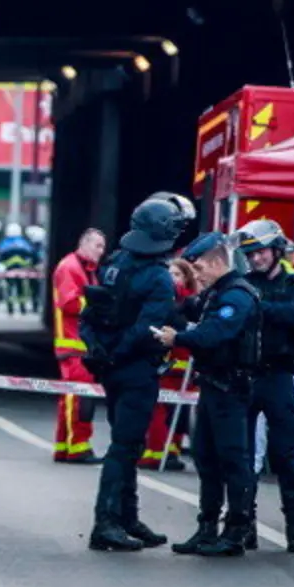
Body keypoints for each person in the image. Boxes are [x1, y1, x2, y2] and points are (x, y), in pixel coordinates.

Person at [80, 197, 190, 551]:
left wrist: (100, 351)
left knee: (126, 443)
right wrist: (118, 355)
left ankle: (127, 517)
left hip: (111, 369)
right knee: (125, 446)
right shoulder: (159, 277)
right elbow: (147, 328)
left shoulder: (115, 263)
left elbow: (91, 313)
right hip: (136, 369)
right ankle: (106, 523)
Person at [156, 232, 261, 557]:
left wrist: (180, 338)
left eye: (199, 267)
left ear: (217, 262)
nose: (196, 274)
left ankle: (236, 531)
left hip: (232, 389)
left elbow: (216, 332)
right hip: (213, 386)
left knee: (233, 461)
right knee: (205, 458)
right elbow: (188, 310)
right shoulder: (216, 293)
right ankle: (206, 528)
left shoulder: (238, 296)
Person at [234, 219, 294, 553]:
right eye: (250, 254)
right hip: (249, 376)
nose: (255, 259)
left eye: (261, 252)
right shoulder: (243, 284)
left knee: (285, 455)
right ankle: (244, 525)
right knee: (243, 456)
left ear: (277, 250)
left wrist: (260, 309)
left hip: (281, 377)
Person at [51, 228, 106, 464]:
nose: (101, 252)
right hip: (74, 344)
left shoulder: (84, 269)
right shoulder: (71, 267)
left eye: (103, 247)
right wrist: (100, 305)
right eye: (97, 246)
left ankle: (64, 446)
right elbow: (70, 303)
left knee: (72, 398)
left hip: (77, 345)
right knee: (80, 398)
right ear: (83, 244)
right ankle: (78, 447)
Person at [139, 258, 198, 471]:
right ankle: (161, 451)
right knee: (164, 409)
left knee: (170, 410)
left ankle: (165, 451)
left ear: (186, 278)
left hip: (180, 363)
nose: (172, 279)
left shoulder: (187, 302)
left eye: (177, 275)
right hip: (170, 362)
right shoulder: (170, 299)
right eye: (170, 274)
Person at [0, 223, 35, 315]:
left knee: (9, 290)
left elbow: (0, 258)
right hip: (22, 271)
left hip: (9, 271)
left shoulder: (4, 243)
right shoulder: (24, 243)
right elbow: (31, 256)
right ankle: (22, 309)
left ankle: (10, 309)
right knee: (21, 290)